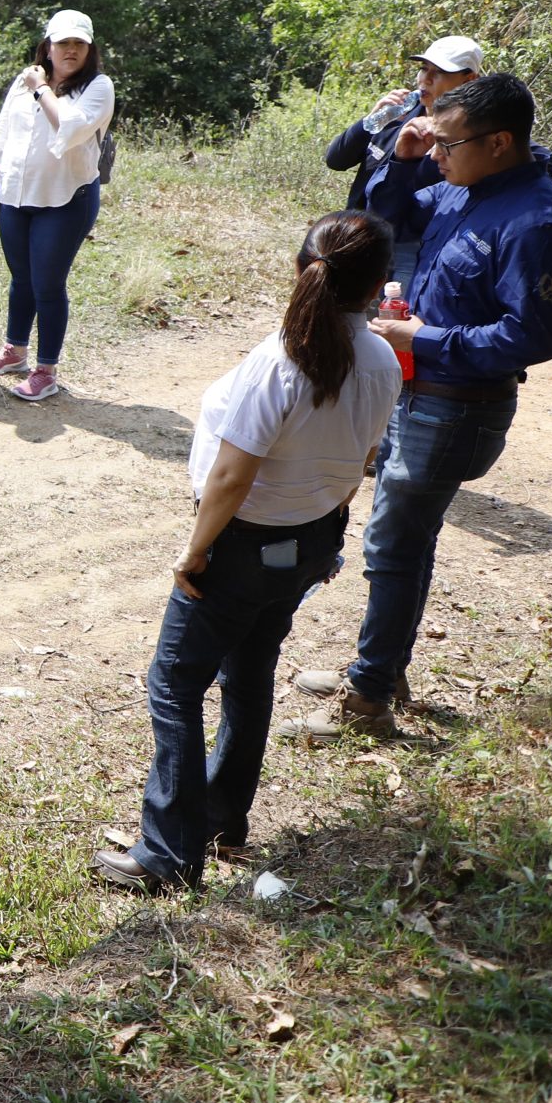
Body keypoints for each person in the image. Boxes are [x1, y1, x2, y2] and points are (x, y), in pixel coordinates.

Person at [93, 213, 404, 892]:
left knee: (174, 683)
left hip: (240, 544)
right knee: (250, 669)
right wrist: (327, 529)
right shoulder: (381, 360)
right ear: (379, 287)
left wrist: (193, 550)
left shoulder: (281, 363)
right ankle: (224, 812)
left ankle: (168, 854)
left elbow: (232, 476)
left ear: (300, 271)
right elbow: (363, 458)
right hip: (309, 541)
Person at [295, 72, 552, 741]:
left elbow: (533, 337)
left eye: (448, 142)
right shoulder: (463, 185)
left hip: (456, 404)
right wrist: (404, 157)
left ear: (500, 141)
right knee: (404, 539)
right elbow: (385, 218)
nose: (438, 152)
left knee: (393, 540)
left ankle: (367, 696)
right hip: (415, 389)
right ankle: (382, 669)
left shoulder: (535, 222)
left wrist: (428, 337)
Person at [0, 10, 117, 402]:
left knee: (48, 285)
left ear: (90, 49)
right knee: (21, 278)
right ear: (48, 47)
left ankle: (46, 370)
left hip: (65, 199)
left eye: (79, 44)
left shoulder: (98, 88)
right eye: (63, 43)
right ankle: (14, 351)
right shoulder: (26, 81)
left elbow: (69, 127)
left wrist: (41, 90)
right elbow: (1, 132)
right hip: (16, 196)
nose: (70, 50)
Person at [321, 36, 484, 286]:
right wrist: (371, 119)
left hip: (408, 257)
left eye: (438, 73)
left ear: (469, 80)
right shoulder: (396, 116)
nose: (425, 80)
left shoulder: (467, 138)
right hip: (355, 240)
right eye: (423, 69)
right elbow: (336, 159)